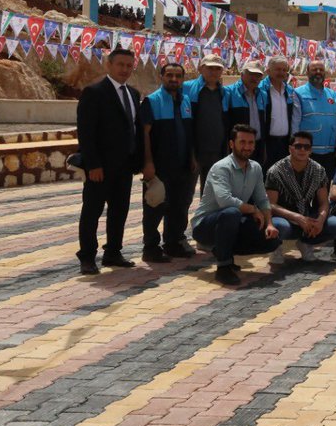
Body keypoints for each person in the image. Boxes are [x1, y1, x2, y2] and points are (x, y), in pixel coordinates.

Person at [76, 47, 143, 274]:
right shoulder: (94, 92)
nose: (125, 69)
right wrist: (93, 164)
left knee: (119, 211)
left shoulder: (133, 94)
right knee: (92, 212)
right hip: (100, 168)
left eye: (128, 65)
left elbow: (134, 129)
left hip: (125, 167)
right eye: (120, 64)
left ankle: (113, 252)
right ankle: (87, 257)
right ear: (109, 65)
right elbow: (86, 133)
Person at [191, 125, 281, 285]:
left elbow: (262, 199)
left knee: (271, 240)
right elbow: (225, 200)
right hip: (206, 226)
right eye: (242, 142)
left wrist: (269, 224)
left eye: (251, 143)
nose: (247, 147)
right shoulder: (221, 168)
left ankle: (224, 251)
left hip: (232, 221)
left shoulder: (255, 168)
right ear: (232, 144)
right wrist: (253, 210)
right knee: (231, 213)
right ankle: (223, 267)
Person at [139, 62, 197, 263]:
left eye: (178, 76)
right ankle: (150, 247)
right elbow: (144, 135)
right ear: (162, 77)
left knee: (179, 206)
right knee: (155, 206)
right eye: (169, 75)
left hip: (182, 165)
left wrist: (192, 157)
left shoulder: (186, 100)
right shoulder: (151, 101)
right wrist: (147, 163)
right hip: (160, 166)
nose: (174, 79)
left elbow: (190, 133)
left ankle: (173, 243)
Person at [266, 130, 336, 263]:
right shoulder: (276, 171)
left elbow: (323, 202)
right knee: (281, 227)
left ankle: (305, 242)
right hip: (284, 218)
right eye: (298, 146)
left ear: (311, 150)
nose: (302, 150)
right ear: (290, 149)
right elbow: (270, 204)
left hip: (307, 214)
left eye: (307, 147)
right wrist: (297, 218)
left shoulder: (318, 170)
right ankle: (276, 247)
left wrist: (320, 220)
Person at [292, 59, 336, 179]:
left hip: (329, 152)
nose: (318, 72)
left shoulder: (333, 95)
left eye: (321, 70)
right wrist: (295, 146)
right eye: (314, 69)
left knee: (324, 189)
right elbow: (295, 123)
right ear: (307, 72)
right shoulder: (298, 93)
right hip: (307, 152)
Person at [184, 55, 227, 193]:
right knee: (185, 194)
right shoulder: (186, 88)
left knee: (210, 194)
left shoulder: (224, 92)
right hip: (192, 151)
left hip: (216, 151)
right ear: (201, 68)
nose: (214, 72)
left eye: (217, 68)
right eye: (210, 68)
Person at [223, 61, 270, 167]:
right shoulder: (228, 92)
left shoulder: (263, 95)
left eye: (258, 75)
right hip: (238, 147)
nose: (254, 78)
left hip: (257, 146)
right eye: (251, 74)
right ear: (242, 74)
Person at [259, 56, 296, 172]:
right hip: (267, 143)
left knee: (283, 177)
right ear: (268, 70)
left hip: (285, 143)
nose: (281, 73)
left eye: (284, 70)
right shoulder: (260, 90)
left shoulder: (290, 91)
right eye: (278, 69)